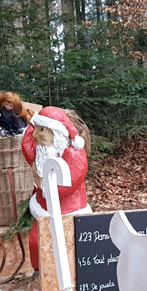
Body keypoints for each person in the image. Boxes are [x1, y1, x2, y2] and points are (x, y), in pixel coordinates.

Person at [21, 106, 89, 271]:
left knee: (68, 245)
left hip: (68, 209)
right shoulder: (41, 152)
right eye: (36, 130)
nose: (36, 135)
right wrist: (34, 120)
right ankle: (39, 272)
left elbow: (68, 184)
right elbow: (27, 143)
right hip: (42, 208)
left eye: (42, 130)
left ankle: (71, 273)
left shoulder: (73, 155)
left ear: (57, 134)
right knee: (36, 242)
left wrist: (44, 184)